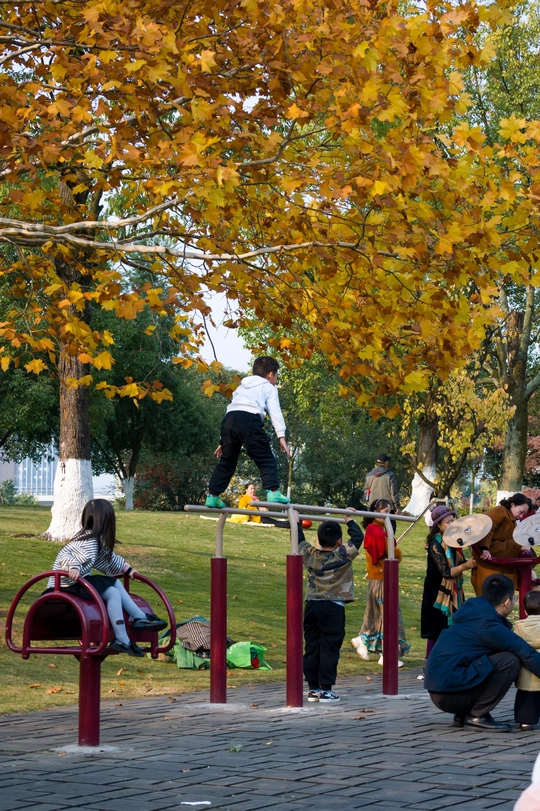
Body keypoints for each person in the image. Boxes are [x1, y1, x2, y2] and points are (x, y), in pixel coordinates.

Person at [46, 499, 167, 657]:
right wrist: (73, 567)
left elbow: (107, 558)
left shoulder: (93, 540)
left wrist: (126, 569)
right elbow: (66, 556)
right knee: (112, 589)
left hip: (75, 583)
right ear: (105, 522)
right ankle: (129, 630)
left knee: (114, 586)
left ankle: (136, 623)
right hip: (64, 586)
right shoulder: (87, 541)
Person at [425, 574, 540, 731]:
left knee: (491, 656)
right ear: (506, 602)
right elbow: (526, 652)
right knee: (510, 660)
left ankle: (463, 714)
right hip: (450, 694)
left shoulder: (473, 614)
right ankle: (477, 715)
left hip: (441, 688)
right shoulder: (489, 625)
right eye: (514, 599)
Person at [206, 356, 290, 508]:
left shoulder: (241, 387)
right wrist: (281, 436)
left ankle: (213, 495)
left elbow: (233, 410)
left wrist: (222, 441)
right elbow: (275, 412)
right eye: (276, 375)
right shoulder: (269, 387)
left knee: (227, 461)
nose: (276, 379)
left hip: (229, 420)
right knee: (265, 457)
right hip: (249, 420)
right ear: (271, 374)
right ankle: (273, 491)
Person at [299, 509, 364, 704]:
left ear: (318, 540)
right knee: (329, 648)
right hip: (333, 607)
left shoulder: (310, 554)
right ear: (339, 541)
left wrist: (297, 522)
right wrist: (348, 519)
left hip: (312, 605)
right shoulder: (342, 554)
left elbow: (298, 539)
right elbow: (358, 537)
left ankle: (313, 689)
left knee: (312, 646)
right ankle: (326, 690)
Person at [350, 498, 410, 665]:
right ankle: (387, 653)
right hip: (381, 577)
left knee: (377, 614)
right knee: (388, 614)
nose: (388, 514)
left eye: (389, 511)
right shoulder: (376, 530)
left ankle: (364, 640)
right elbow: (391, 552)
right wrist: (398, 553)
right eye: (385, 511)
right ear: (375, 512)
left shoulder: (379, 529)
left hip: (380, 577)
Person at [421, 505, 477, 659]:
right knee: (437, 628)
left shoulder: (454, 542)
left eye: (453, 521)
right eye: (447, 522)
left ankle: (449, 660)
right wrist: (466, 566)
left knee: (454, 626)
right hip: (437, 592)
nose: (451, 524)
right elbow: (446, 572)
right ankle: (430, 662)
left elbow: (461, 562)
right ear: (438, 525)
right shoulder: (435, 544)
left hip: (454, 590)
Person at [471, 493, 533, 594]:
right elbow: (486, 526)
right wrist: (484, 548)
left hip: (498, 558)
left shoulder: (510, 518)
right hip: (491, 554)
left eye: (523, 514)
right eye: (521, 512)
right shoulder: (500, 511)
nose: (521, 516)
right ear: (512, 504)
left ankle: (526, 566)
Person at [514, 590, 540, 730]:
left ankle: (526, 722)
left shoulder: (518, 627)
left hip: (527, 675)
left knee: (527, 698)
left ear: (525, 610)